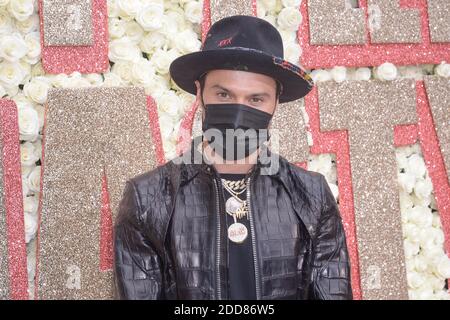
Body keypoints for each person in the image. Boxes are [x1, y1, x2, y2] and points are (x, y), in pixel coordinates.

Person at [113, 15, 352, 300]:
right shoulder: (147, 198)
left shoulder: (312, 195)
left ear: (277, 101)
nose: (239, 114)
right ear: (200, 93)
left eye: (256, 99)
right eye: (224, 94)